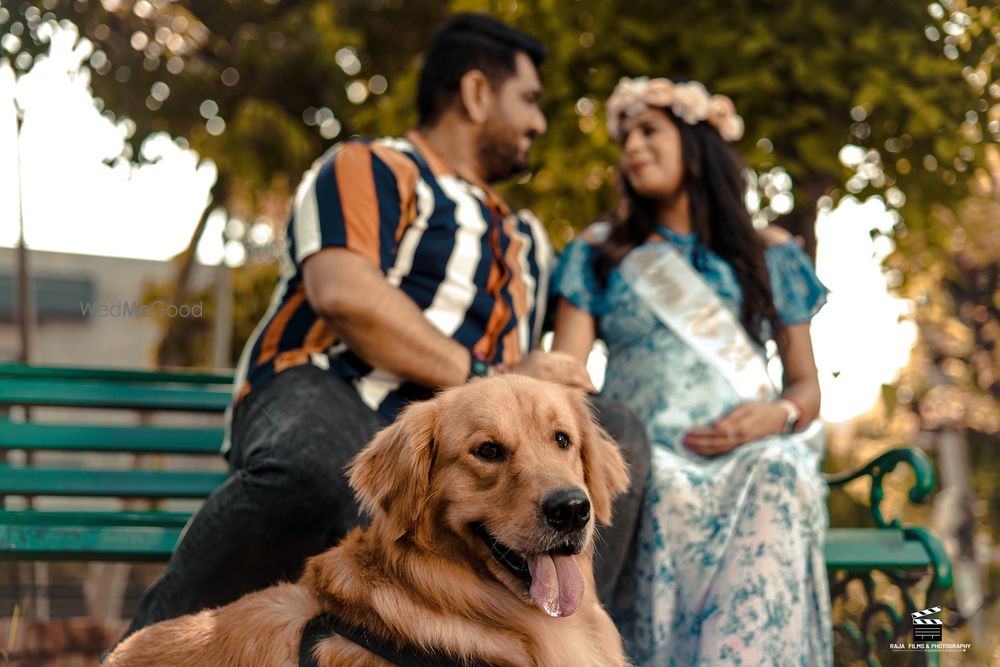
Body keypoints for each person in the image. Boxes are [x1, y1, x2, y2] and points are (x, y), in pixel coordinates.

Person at [118, 14, 650, 642]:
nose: (539, 122)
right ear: (477, 93)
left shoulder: (530, 239)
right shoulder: (369, 167)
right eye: (529, 100)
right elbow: (345, 294)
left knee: (618, 432)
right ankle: (146, 649)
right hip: (330, 380)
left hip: (477, 449)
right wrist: (480, 381)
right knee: (317, 469)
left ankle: (561, 641)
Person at [551, 76, 832, 665]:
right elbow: (565, 376)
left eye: (650, 131)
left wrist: (775, 416)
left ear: (697, 144)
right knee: (663, 489)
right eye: (626, 137)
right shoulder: (599, 254)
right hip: (646, 456)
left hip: (749, 452)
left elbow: (805, 384)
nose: (632, 147)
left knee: (779, 465)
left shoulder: (768, 253)